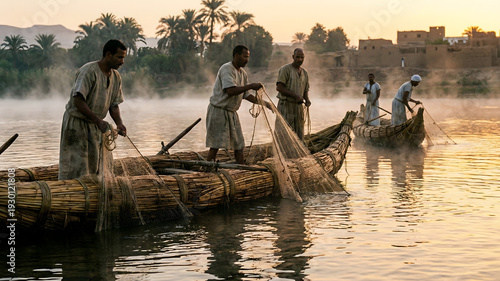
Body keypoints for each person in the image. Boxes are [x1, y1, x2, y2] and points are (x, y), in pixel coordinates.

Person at [58, 39, 127, 180]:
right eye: (119, 57)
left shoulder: (116, 77)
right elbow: (78, 100)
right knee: (75, 166)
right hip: (77, 124)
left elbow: (114, 105)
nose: (122, 61)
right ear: (108, 54)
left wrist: (119, 123)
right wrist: (98, 121)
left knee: (95, 167)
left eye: (123, 58)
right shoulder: (89, 71)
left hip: (96, 126)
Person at [206, 45, 265, 165]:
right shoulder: (227, 69)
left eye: (248, 57)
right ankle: (208, 169)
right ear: (236, 56)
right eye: (244, 56)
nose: (246, 60)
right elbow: (231, 91)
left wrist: (264, 103)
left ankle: (241, 169)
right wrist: (251, 86)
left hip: (232, 113)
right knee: (215, 144)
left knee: (239, 144)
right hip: (219, 111)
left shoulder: (243, 73)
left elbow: (246, 95)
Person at [276, 48, 310, 140]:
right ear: (293, 57)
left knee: (299, 136)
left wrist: (307, 99)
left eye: (302, 57)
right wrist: (296, 96)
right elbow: (279, 87)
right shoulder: (285, 69)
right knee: (284, 135)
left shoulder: (305, 73)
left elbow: (305, 89)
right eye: (297, 57)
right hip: (286, 106)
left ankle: (298, 154)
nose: (300, 59)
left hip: (298, 108)